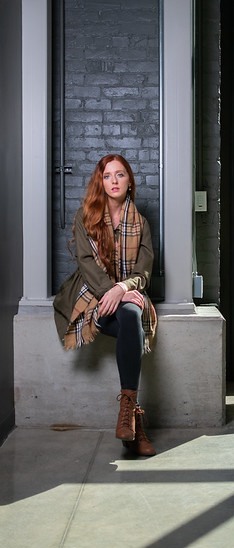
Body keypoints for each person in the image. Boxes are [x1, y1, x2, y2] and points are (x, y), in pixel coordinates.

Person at [54, 154, 157, 456]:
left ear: (129, 182)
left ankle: (127, 411)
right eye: (108, 175)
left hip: (125, 295)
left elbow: (145, 272)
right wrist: (110, 291)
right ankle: (135, 420)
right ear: (100, 182)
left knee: (129, 312)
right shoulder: (85, 217)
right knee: (131, 318)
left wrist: (124, 288)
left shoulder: (141, 223)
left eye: (120, 175)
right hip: (90, 292)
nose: (114, 181)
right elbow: (86, 264)